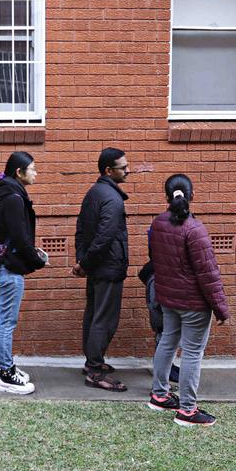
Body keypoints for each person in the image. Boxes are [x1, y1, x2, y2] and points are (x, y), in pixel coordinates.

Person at [146, 174, 229, 427]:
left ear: (167, 196)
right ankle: (187, 411)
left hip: (168, 299)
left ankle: (159, 396)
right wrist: (221, 308)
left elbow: (155, 258)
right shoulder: (195, 229)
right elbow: (209, 274)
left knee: (168, 343)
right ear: (191, 196)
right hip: (193, 304)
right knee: (192, 352)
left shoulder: (158, 223)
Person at [0, 151, 46, 395]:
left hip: (8, 263)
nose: (35, 173)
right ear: (19, 172)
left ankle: (5, 366)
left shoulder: (9, 192)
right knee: (7, 321)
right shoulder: (13, 197)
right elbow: (20, 237)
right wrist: (36, 259)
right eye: (32, 169)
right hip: (10, 266)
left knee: (6, 319)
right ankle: (5, 373)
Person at [73, 147, 131, 392]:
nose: (128, 171)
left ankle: (91, 363)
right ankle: (95, 372)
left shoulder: (93, 193)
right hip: (108, 268)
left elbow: (81, 231)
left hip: (97, 268)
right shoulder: (112, 199)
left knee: (93, 314)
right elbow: (104, 238)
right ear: (109, 170)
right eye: (123, 167)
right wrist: (84, 263)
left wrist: (83, 262)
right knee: (104, 319)